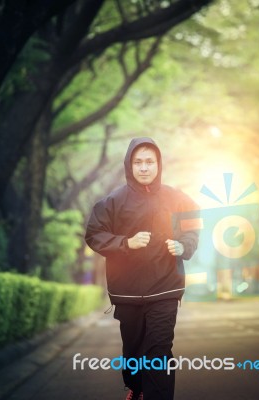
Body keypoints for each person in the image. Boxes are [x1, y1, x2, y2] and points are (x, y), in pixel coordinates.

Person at [85, 137, 199, 400]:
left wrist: (184, 245)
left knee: (158, 350)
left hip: (166, 288)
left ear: (159, 164)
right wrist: (126, 242)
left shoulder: (177, 198)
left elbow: (193, 222)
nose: (144, 168)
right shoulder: (113, 201)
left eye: (150, 162)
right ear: (129, 165)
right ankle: (136, 389)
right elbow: (94, 234)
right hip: (128, 293)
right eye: (138, 162)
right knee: (134, 354)